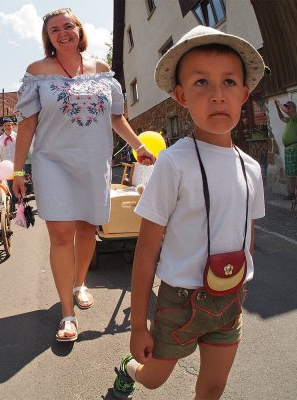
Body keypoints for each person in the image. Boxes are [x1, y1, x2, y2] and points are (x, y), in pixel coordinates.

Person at [112, 26, 265, 399]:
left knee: (213, 387)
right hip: (180, 301)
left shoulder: (251, 167)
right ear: (181, 95)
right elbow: (147, 249)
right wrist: (137, 325)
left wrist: (241, 281)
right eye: (201, 83)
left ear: (244, 94)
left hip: (230, 295)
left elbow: (247, 231)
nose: (217, 95)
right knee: (154, 378)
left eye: (229, 82)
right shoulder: (173, 163)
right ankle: (129, 369)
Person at [11, 8, 155, 342]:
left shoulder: (103, 72)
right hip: (52, 161)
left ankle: (79, 283)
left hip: (93, 160)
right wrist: (18, 169)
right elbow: (27, 123)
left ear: (79, 30)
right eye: (54, 29)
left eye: (67, 27)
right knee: (61, 233)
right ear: (47, 37)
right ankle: (67, 313)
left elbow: (117, 118)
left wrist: (137, 147)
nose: (62, 33)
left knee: (87, 227)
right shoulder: (37, 72)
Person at [274, 99, 297, 200]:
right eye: (286, 107)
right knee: (290, 172)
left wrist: (279, 104)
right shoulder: (290, 120)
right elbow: (281, 117)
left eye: (288, 107)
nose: (287, 108)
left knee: (294, 172)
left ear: (293, 109)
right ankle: (292, 194)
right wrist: (277, 108)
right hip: (289, 148)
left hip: (294, 147)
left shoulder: (296, 118)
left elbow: (287, 112)